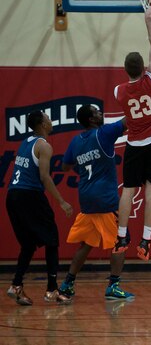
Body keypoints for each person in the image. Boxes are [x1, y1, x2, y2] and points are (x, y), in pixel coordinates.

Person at [59, 104, 134, 300]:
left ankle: (67, 283)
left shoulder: (76, 141)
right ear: (92, 120)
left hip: (86, 200)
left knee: (86, 244)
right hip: (106, 199)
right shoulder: (104, 133)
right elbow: (129, 119)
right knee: (121, 240)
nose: (101, 113)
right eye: (97, 112)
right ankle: (113, 286)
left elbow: (66, 166)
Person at [112, 7, 151, 261]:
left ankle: (122, 236)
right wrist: (148, 19)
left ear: (125, 70)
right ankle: (146, 241)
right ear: (143, 67)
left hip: (134, 143)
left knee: (127, 190)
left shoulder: (119, 91)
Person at [6, 110, 73, 306]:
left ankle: (16, 285)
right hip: (29, 195)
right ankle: (52, 290)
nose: (51, 121)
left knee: (28, 244)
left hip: (12, 196)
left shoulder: (25, 142)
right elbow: (44, 177)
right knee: (52, 239)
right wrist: (61, 201)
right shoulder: (44, 146)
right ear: (43, 124)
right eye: (48, 118)